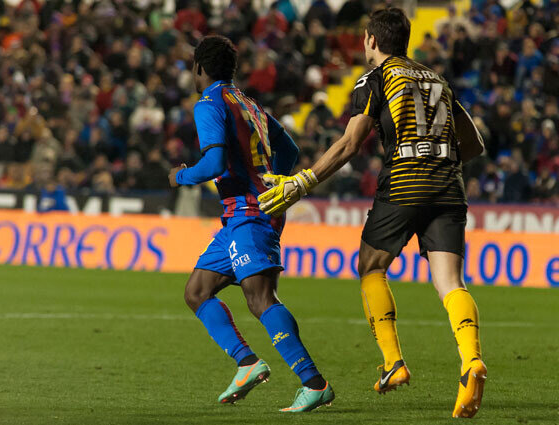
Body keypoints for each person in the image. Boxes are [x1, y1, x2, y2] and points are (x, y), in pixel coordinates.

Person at [257, 8, 486, 419]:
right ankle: (471, 361)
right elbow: (473, 146)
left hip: (404, 181)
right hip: (450, 184)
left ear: (372, 41)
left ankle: (393, 362)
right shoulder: (437, 80)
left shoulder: (375, 77)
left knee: (371, 265)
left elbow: (349, 145)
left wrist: (301, 182)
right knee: (451, 282)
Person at [167, 35, 334, 412]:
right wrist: (269, 179)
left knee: (260, 299)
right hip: (244, 213)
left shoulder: (209, 103)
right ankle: (246, 363)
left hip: (249, 211)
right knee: (196, 291)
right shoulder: (249, 103)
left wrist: (179, 176)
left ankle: (314, 382)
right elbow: (288, 150)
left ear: (199, 67)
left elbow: (213, 165)